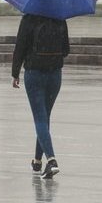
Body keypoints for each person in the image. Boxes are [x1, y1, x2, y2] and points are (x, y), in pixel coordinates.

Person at [10, 13, 70, 179]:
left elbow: (20, 46)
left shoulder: (29, 18)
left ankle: (51, 160)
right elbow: (66, 50)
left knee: (40, 118)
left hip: (34, 73)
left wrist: (15, 73)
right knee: (45, 117)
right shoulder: (59, 18)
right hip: (55, 74)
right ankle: (37, 161)